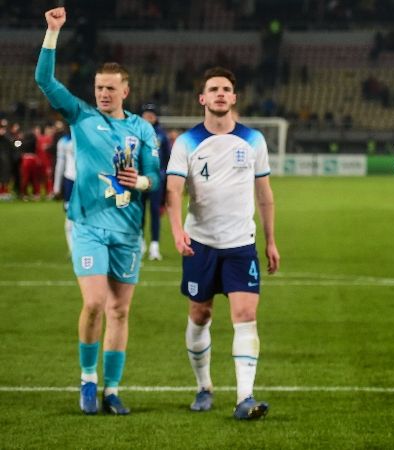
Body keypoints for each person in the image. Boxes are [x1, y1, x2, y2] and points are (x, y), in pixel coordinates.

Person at [35, 7, 161, 415]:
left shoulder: (142, 130)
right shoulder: (81, 116)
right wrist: (53, 32)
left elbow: (155, 177)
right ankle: (88, 379)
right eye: (99, 87)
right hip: (88, 225)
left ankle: (112, 389)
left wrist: (140, 183)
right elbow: (44, 80)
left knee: (120, 310)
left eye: (110, 88)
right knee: (93, 304)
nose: (103, 93)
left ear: (126, 90)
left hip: (127, 230)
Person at [165, 67, 280, 420]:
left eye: (226, 89)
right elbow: (172, 189)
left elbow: (265, 194)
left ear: (233, 98)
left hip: (241, 244)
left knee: (246, 316)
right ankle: (204, 386)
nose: (219, 94)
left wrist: (271, 240)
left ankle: (245, 398)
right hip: (200, 242)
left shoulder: (254, 140)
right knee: (200, 314)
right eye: (213, 89)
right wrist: (176, 231)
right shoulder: (186, 142)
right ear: (202, 98)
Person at [140, 103, 171, 260]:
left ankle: (154, 246)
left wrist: (164, 178)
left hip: (156, 181)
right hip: (139, 179)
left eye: (151, 114)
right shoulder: (135, 133)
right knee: (139, 213)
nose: (148, 117)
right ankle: (140, 244)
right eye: (146, 114)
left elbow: (167, 159)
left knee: (155, 213)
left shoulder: (162, 136)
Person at [53, 127, 76, 254]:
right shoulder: (64, 141)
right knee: (70, 217)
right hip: (70, 181)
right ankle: (72, 249)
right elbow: (60, 164)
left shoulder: (90, 136)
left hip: (87, 182)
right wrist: (56, 186)